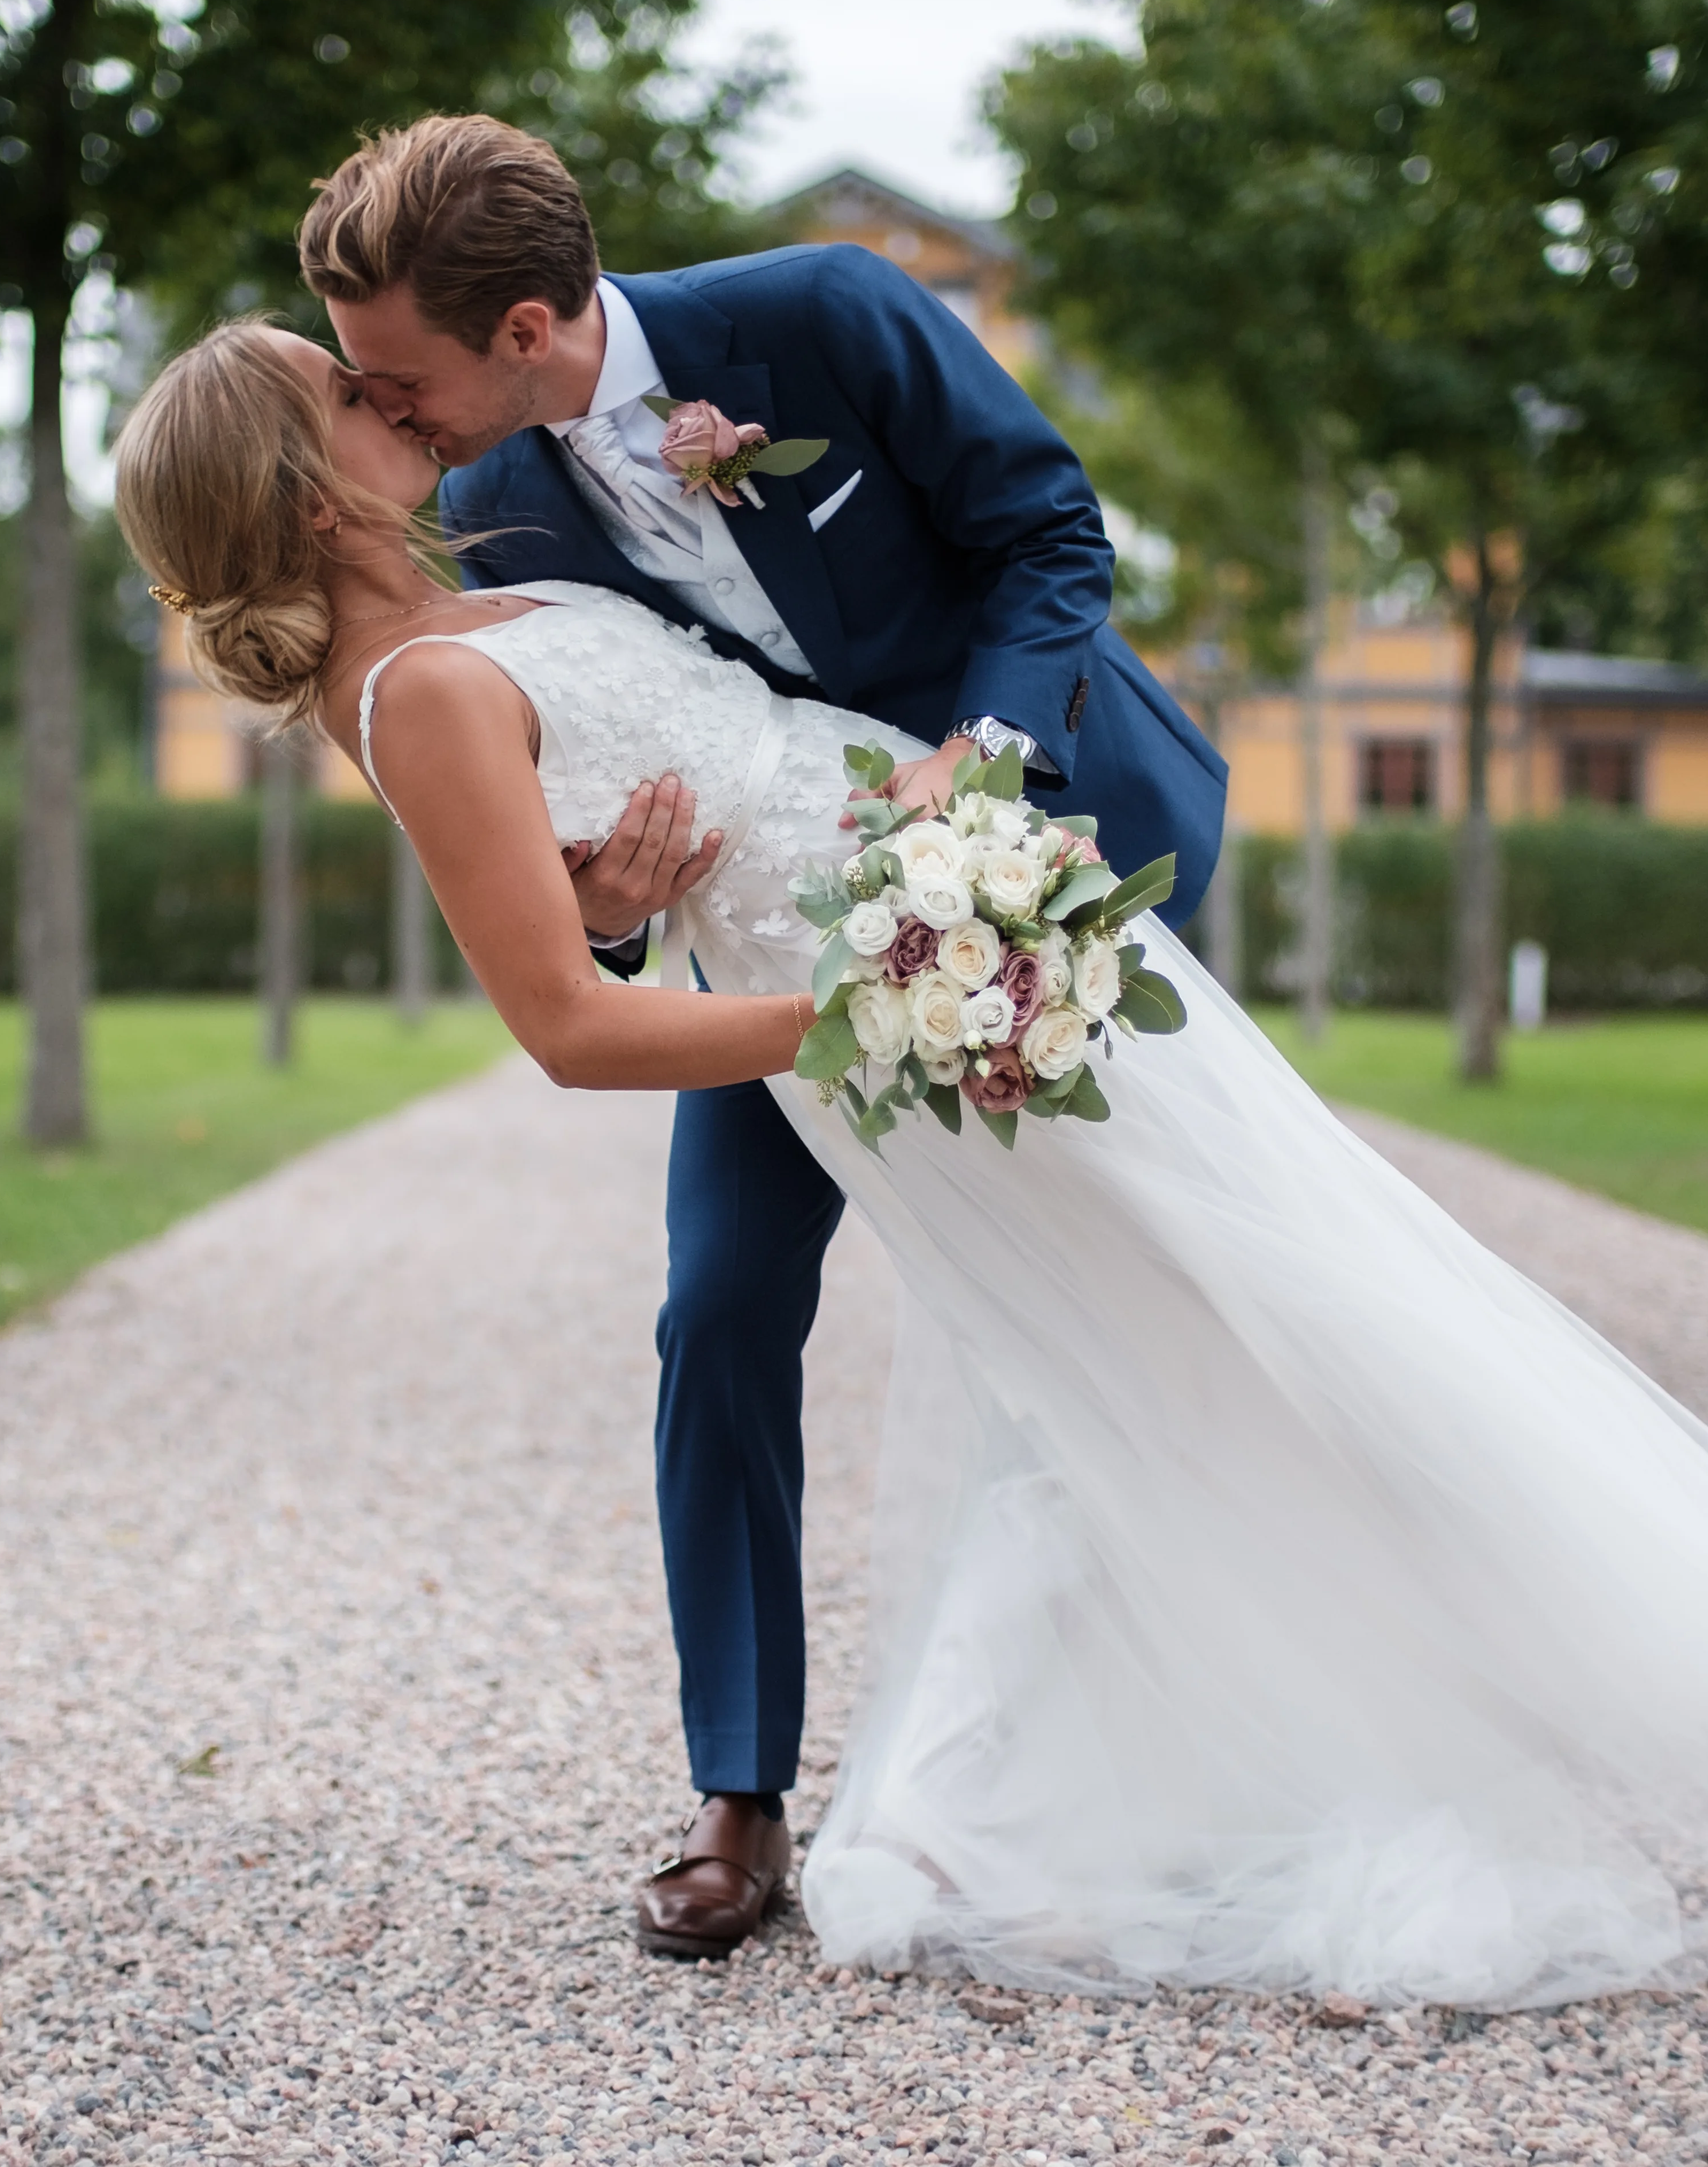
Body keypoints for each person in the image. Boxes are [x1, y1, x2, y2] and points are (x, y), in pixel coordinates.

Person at [108, 310, 1708, 2010]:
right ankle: (886, 1794)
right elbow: (570, 1023)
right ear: (303, 489)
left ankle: (1524, 1692)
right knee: (1146, 1333)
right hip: (899, 999)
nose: (385, 395)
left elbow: (882, 632)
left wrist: (903, 927)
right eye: (339, 391)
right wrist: (892, 1015)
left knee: (1269, 1285)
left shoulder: (503, 571)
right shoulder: (423, 690)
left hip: (970, 907)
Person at [295, 115, 1234, 1961]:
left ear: (530, 323)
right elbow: (599, 776)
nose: (375, 413)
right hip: (779, 937)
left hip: (1046, 850)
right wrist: (618, 904)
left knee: (1140, 1287)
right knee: (717, 1307)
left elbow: (1048, 533)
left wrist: (987, 768)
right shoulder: (496, 492)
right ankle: (741, 1797)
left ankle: (1145, 1744)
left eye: (395, 376)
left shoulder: (822, 313)